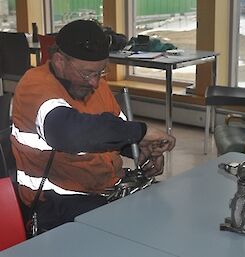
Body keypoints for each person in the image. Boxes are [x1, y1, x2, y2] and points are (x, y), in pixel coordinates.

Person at [11, 19, 175, 234]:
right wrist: (140, 132)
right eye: (87, 73)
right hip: (56, 203)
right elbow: (67, 133)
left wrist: (140, 146)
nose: (95, 82)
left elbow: (111, 130)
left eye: (101, 72)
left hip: (102, 190)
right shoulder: (35, 86)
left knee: (168, 213)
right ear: (59, 61)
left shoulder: (95, 85)